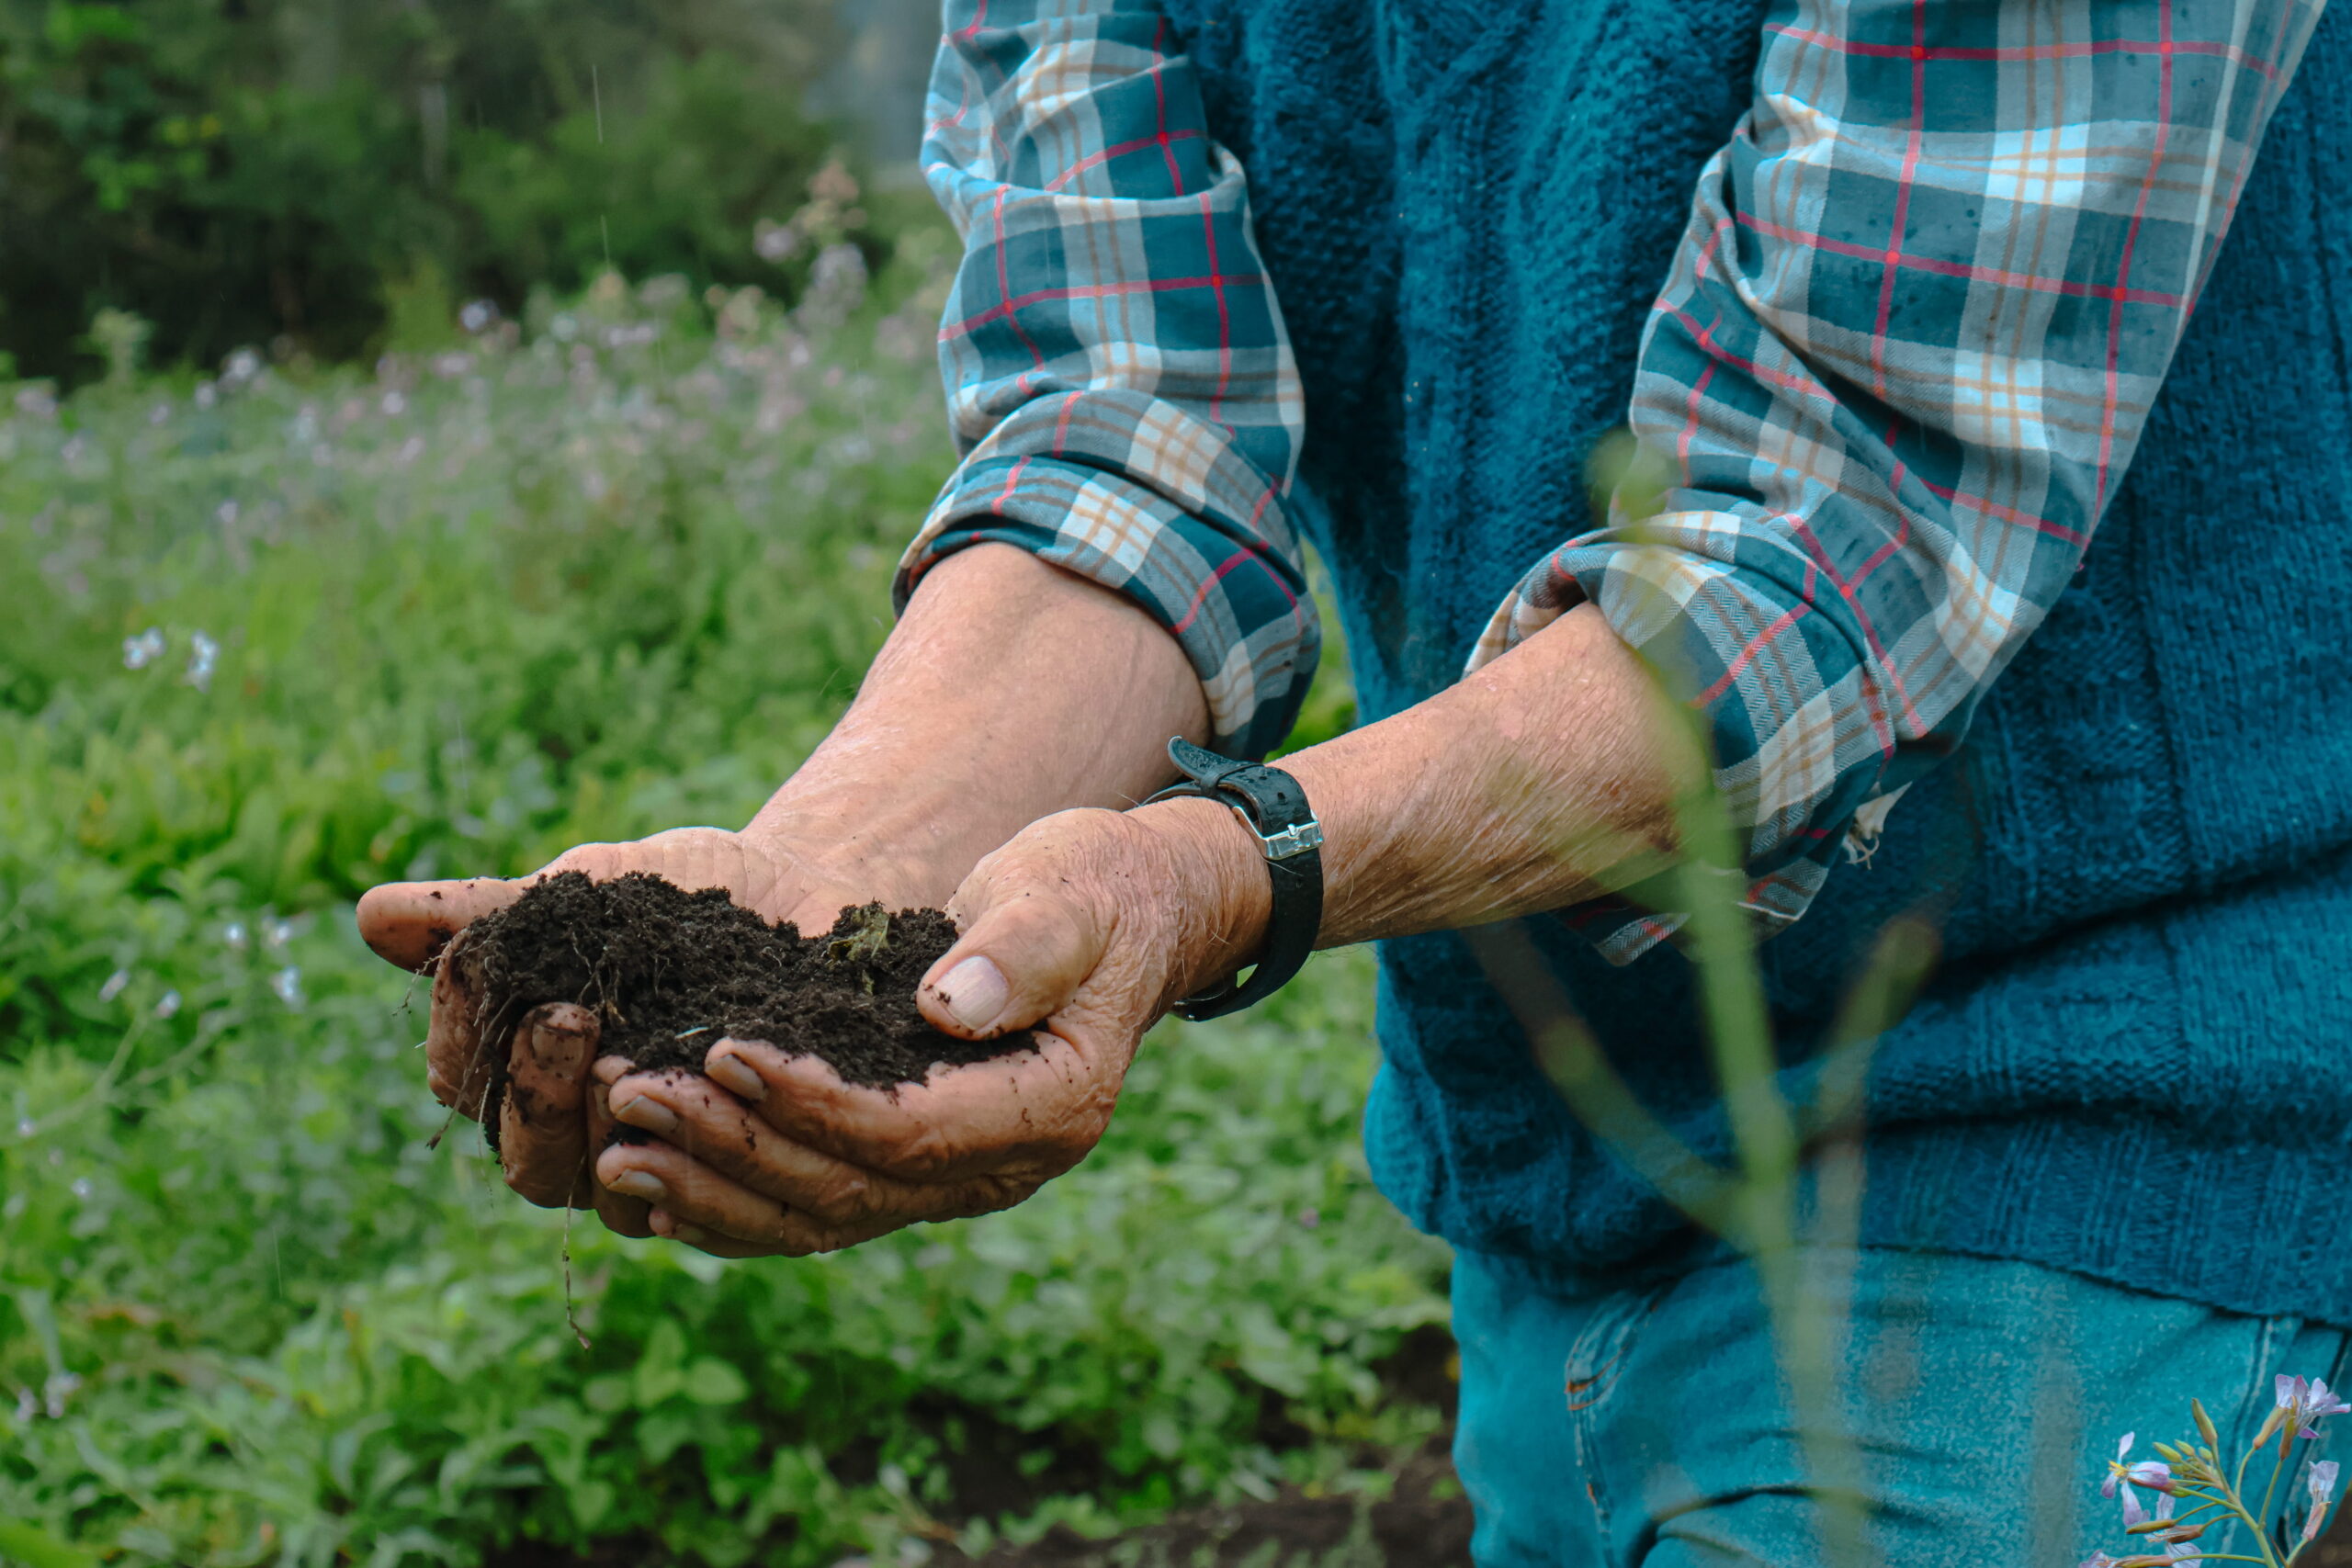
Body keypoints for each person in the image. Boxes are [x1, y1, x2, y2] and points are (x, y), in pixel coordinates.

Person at [357, 0, 2352, 1562]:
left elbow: (1834, 538)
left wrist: (1235, 858)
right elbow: (1126, 429)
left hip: (2108, 1116)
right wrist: (820, 882)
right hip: (1562, 1148)